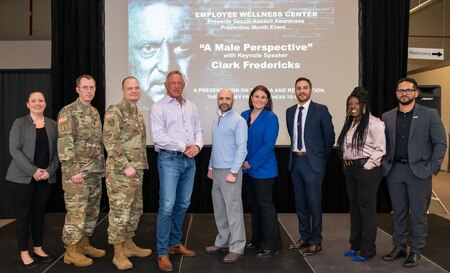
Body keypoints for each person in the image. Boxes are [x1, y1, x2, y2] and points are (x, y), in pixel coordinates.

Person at [381, 77, 447, 268]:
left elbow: (440, 143)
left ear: (416, 93)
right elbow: (384, 144)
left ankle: (416, 250)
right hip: (394, 172)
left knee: (418, 215)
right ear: (396, 94)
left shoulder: (430, 114)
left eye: (408, 90)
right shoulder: (387, 116)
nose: (404, 93)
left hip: (419, 172)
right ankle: (399, 247)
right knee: (399, 213)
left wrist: (432, 168)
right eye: (400, 90)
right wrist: (386, 164)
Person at [150, 70, 204, 272]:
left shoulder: (191, 106)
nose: (176, 85)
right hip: (169, 159)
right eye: (172, 82)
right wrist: (184, 147)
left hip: (189, 162)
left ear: (183, 84)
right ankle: (162, 252)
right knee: (167, 205)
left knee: (182, 204)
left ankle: (174, 243)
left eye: (179, 82)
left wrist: (197, 147)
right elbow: (158, 136)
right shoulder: (158, 107)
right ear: (165, 85)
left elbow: (199, 130)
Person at [6, 91, 59, 268]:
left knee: (38, 215)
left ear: (45, 103)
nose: (38, 103)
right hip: (21, 179)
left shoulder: (53, 125)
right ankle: (24, 252)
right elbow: (14, 150)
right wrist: (34, 171)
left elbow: (58, 153)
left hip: (45, 178)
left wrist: (49, 172)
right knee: (23, 216)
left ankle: (38, 248)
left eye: (41, 100)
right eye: (34, 101)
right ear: (28, 104)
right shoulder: (20, 123)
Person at [103, 76, 151, 270]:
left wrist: (137, 167)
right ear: (123, 91)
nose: (134, 91)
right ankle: (118, 252)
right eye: (130, 88)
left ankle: (129, 244)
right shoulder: (115, 111)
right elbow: (110, 141)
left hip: (137, 170)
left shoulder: (138, 112)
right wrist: (125, 165)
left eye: (136, 88)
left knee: (135, 210)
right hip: (121, 173)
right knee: (120, 212)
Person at [57, 75, 106, 267]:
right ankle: (71, 250)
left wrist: (101, 166)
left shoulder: (94, 112)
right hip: (76, 173)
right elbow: (65, 143)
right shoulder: (68, 112)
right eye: (85, 87)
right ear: (77, 89)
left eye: (92, 87)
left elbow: (98, 143)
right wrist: (73, 169)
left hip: (94, 172)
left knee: (91, 211)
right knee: (76, 212)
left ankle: (84, 243)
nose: (89, 91)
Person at [285, 77, 335, 256]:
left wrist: (321, 160)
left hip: (313, 163)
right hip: (296, 162)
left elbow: (329, 138)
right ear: (295, 91)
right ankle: (304, 236)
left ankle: (316, 240)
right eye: (298, 88)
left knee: (314, 204)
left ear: (311, 90)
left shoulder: (321, 110)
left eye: (305, 88)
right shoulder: (290, 111)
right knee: (300, 204)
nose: (302, 91)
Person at [337, 87, 386, 262]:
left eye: (356, 103)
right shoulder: (351, 123)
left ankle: (367, 250)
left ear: (364, 105)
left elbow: (381, 149)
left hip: (367, 171)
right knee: (354, 208)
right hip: (350, 170)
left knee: (367, 210)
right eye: (350, 104)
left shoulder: (375, 123)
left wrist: (367, 166)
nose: (352, 106)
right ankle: (355, 245)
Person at [205, 88, 247, 263]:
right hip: (216, 171)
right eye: (221, 98)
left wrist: (234, 171)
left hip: (230, 172)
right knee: (220, 209)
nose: (224, 101)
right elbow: (216, 146)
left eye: (227, 98)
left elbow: (242, 148)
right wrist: (210, 167)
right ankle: (222, 241)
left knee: (233, 211)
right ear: (217, 100)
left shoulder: (239, 121)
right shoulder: (216, 120)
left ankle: (237, 247)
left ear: (233, 100)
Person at [241, 85, 282, 258]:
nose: (259, 100)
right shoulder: (243, 115)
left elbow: (268, 146)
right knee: (254, 206)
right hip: (246, 170)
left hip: (263, 170)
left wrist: (250, 163)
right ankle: (257, 239)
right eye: (256, 96)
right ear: (251, 98)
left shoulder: (271, 118)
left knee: (265, 207)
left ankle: (272, 245)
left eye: (263, 97)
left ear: (267, 100)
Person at [129, 1, 193, 104]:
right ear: (130, 57)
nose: (166, 67)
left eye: (182, 47)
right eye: (148, 48)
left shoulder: (191, 108)